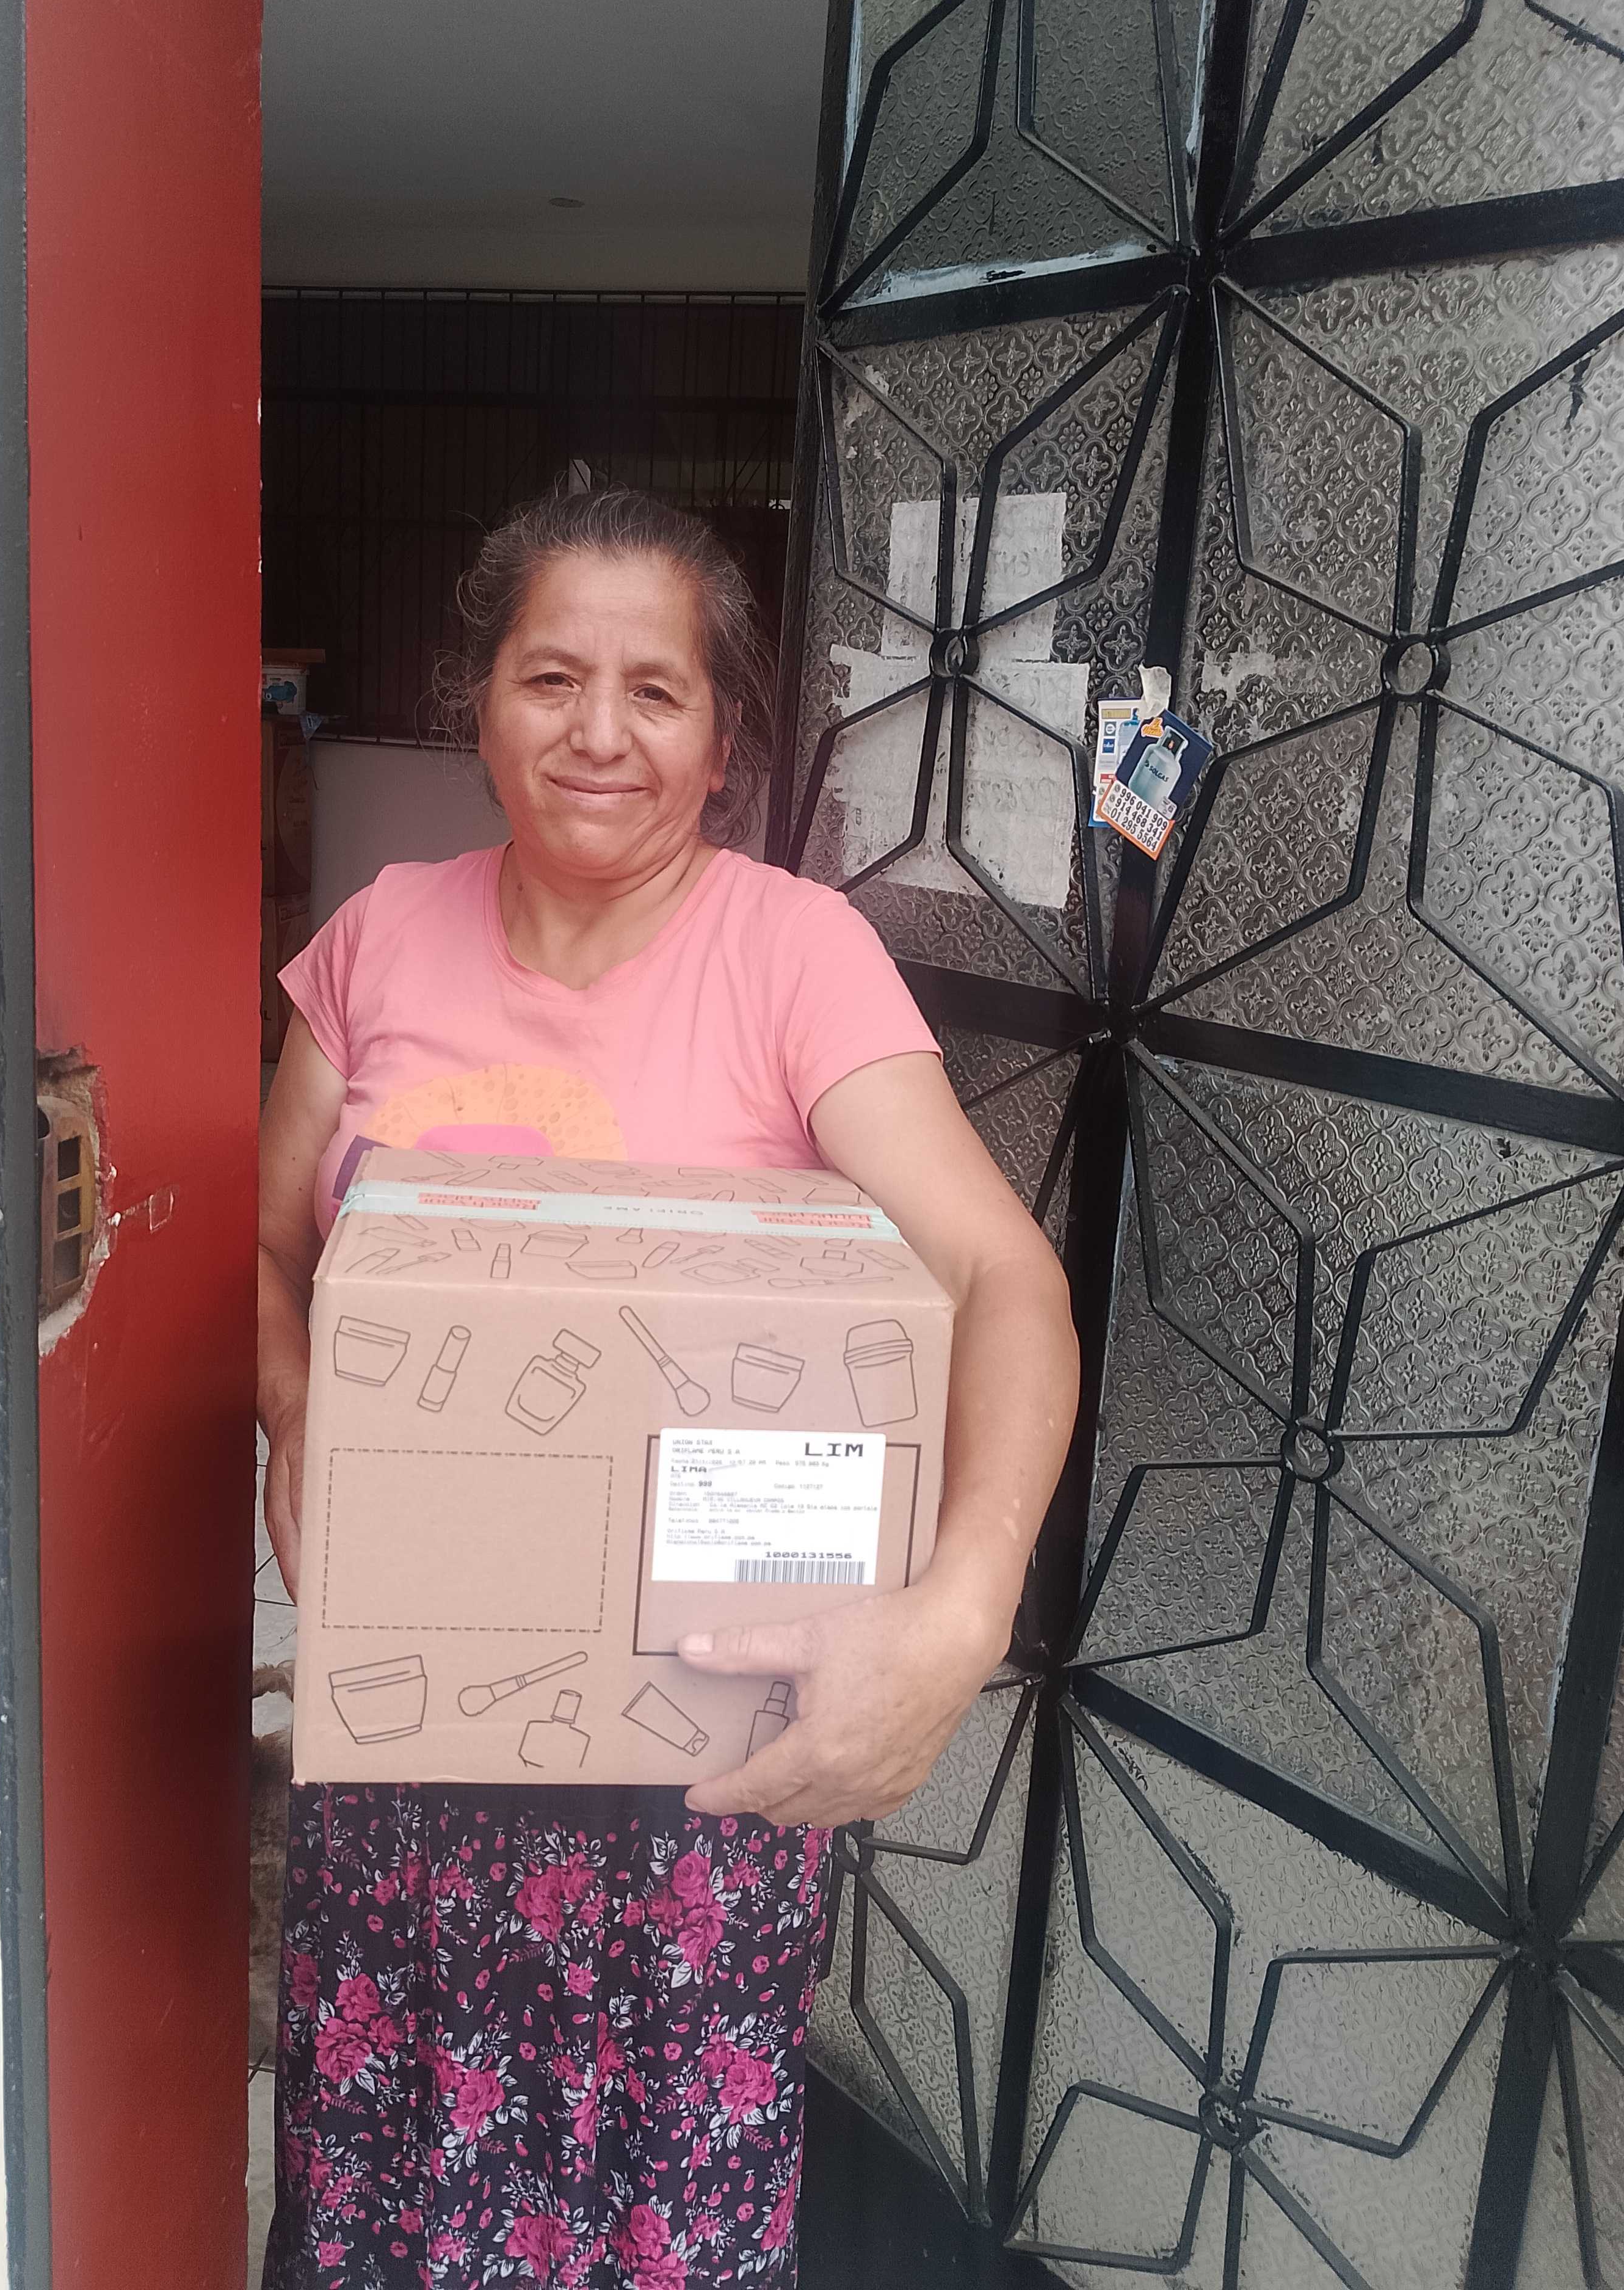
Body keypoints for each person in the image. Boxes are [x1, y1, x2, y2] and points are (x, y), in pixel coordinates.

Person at [258, 485, 1077, 2288]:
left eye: (657, 690)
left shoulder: (794, 955)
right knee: (381, 2215)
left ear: (723, 741)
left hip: (687, 1792)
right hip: (408, 1763)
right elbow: (263, 1251)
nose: (599, 734)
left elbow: (1006, 1278)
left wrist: (962, 1614)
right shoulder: (377, 939)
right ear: (479, 699)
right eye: (552, 676)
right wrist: (301, 1416)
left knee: (653, 2235)